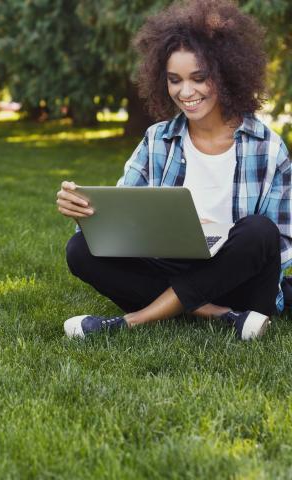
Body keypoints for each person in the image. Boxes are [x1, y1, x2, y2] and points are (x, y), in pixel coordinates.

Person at [57, 0, 291, 341]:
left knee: (259, 230)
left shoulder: (268, 147)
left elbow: (280, 243)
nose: (186, 92)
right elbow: (123, 218)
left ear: (226, 74)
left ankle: (130, 322)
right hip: (173, 266)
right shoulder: (157, 141)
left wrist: (224, 248)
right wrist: (84, 214)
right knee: (79, 249)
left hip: (242, 282)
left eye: (199, 78)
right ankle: (220, 316)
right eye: (174, 80)